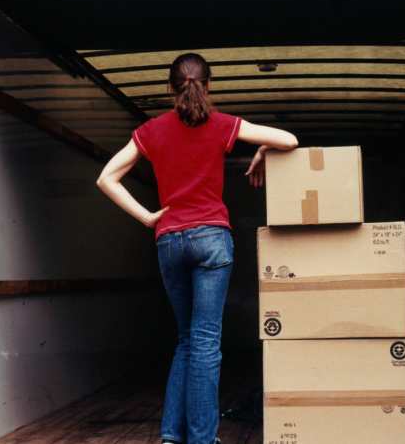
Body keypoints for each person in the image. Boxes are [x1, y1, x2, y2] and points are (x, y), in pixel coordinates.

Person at [95, 52, 298, 444]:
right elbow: (289, 140)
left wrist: (148, 217)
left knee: (187, 340)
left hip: (169, 240)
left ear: (170, 88)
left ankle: (172, 436)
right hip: (211, 242)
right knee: (205, 343)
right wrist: (261, 150)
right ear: (208, 85)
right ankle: (203, 440)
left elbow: (106, 178)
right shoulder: (222, 125)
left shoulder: (151, 130)